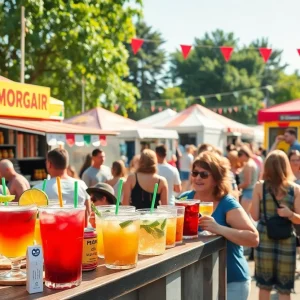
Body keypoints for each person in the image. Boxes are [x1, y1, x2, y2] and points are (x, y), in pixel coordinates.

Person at [179, 151, 258, 299]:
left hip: (231, 281)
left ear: (216, 178)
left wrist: (219, 229)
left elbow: (253, 238)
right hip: (195, 279)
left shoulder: (226, 203)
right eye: (195, 173)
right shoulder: (185, 200)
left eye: (204, 174)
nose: (197, 178)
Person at [251, 150, 300, 300]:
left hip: (265, 237)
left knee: (264, 285)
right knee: (284, 288)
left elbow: (254, 216)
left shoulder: (260, 187)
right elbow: (299, 219)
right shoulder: (295, 189)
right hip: (287, 240)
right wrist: (290, 214)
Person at [33, 148, 90, 221]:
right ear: (67, 164)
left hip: (49, 230)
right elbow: (87, 215)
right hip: (76, 230)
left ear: (49, 164)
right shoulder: (81, 185)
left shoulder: (38, 189)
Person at [238, 146, 259, 214]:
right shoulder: (253, 163)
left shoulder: (248, 165)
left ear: (244, 154)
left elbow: (247, 182)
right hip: (251, 192)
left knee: (244, 215)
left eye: (239, 155)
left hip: (247, 193)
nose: (238, 157)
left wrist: (237, 187)